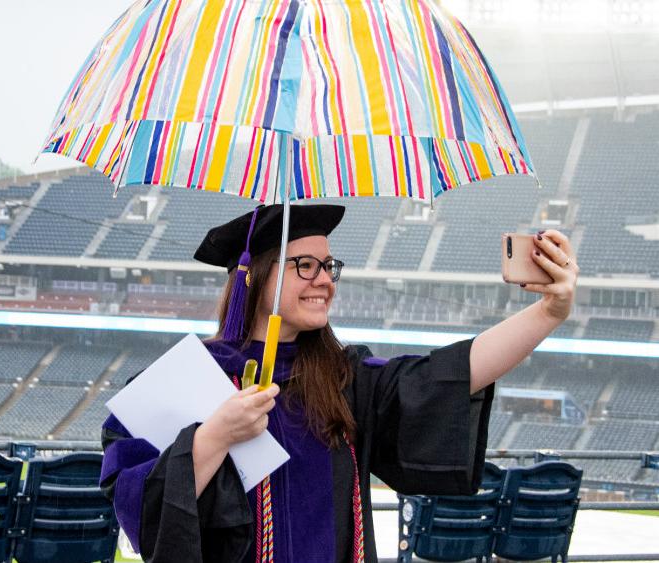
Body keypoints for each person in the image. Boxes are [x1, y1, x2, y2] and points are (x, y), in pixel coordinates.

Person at [100, 204, 579, 563]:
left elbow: (450, 373)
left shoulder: (344, 378)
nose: (325, 279)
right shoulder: (191, 379)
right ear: (253, 277)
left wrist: (549, 312)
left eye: (329, 266)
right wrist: (214, 436)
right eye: (305, 264)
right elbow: (142, 509)